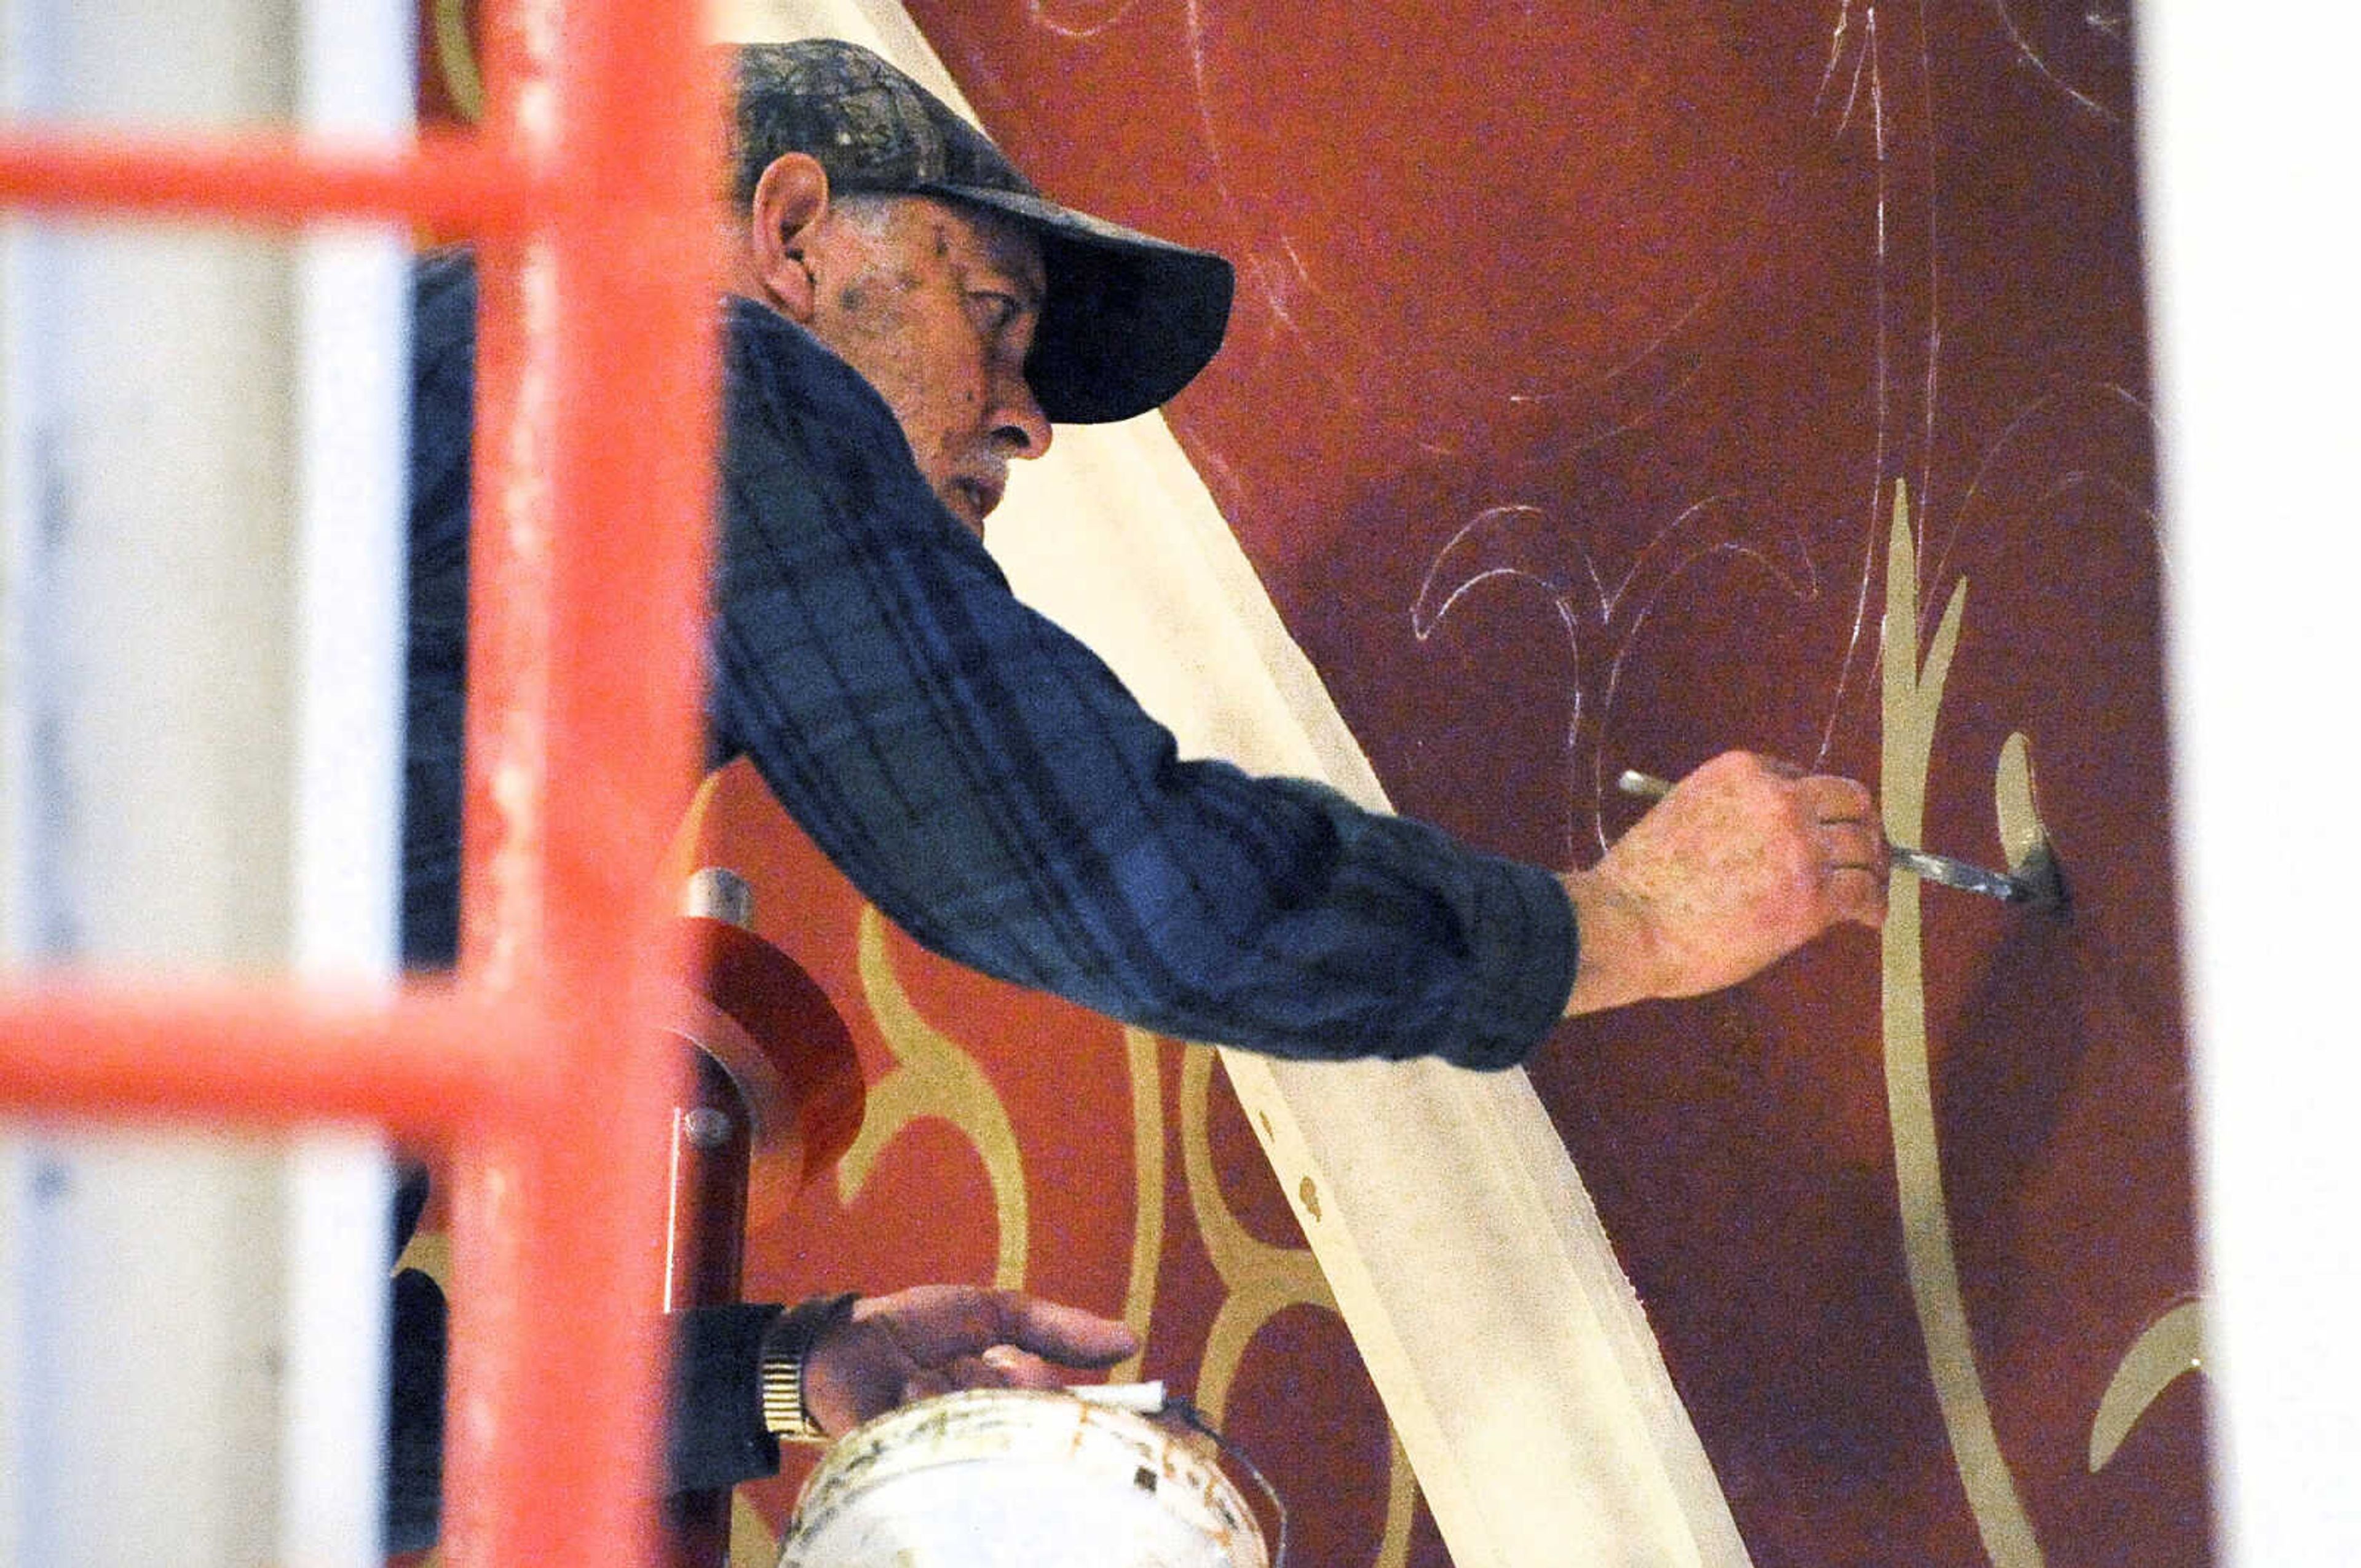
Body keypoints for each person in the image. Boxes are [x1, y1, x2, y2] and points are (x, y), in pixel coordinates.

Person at [390, 36, 1887, 1552]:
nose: (1028, 422)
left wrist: (787, 1369)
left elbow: (336, 1407)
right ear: (787, 234)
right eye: (992, 316)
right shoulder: (675, 354)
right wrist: (1617, 926)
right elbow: (1090, 868)